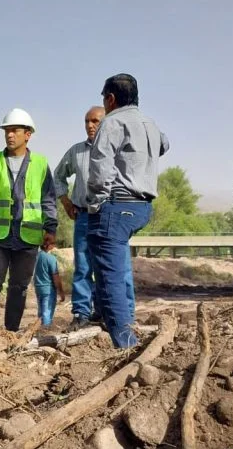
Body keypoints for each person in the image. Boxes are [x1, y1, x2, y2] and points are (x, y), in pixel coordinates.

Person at [85, 73, 170, 348]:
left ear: (110, 99)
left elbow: (99, 171)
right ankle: (120, 333)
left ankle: (126, 348)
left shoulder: (112, 122)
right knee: (117, 271)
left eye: (104, 99)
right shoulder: (150, 123)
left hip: (116, 205)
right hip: (142, 207)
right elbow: (164, 144)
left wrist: (95, 204)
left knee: (109, 280)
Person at [0, 108, 58, 332]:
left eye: (15, 130)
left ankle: (10, 332)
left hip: (28, 236)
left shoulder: (40, 164)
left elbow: (49, 199)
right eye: (7, 131)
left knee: (19, 286)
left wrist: (51, 228)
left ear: (28, 134)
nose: (10, 135)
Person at [53, 106, 106, 330]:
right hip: (84, 217)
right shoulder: (76, 151)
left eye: (95, 121)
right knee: (83, 267)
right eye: (87, 121)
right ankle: (81, 314)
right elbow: (58, 176)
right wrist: (65, 201)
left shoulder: (118, 151)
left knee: (106, 267)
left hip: (108, 216)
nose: (90, 125)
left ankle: (105, 312)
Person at [32, 248, 66, 329]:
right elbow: (56, 277)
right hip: (48, 289)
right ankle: (45, 332)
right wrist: (61, 292)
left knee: (41, 312)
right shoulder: (51, 258)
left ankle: (39, 329)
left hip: (38, 288)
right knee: (47, 312)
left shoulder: (36, 256)